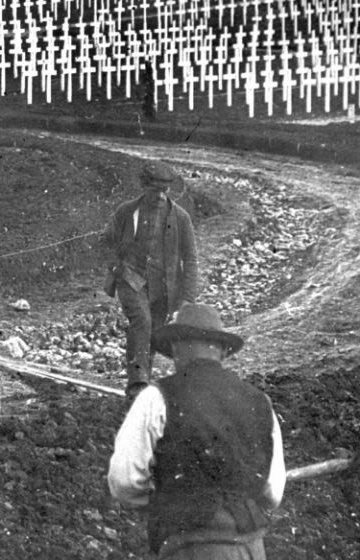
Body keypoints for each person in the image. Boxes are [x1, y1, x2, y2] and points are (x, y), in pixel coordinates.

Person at [108, 304, 285, 559]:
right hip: (249, 548)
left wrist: (166, 502)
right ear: (223, 351)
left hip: (190, 547)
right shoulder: (260, 402)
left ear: (176, 349)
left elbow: (124, 480)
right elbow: (272, 490)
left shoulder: (156, 397)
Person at [104, 161, 201, 397]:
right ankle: (137, 382)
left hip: (164, 287)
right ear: (144, 187)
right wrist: (116, 266)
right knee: (142, 323)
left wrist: (187, 298)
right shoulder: (127, 212)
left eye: (164, 191)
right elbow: (107, 241)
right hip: (131, 279)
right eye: (154, 190)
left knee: (154, 332)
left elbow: (190, 259)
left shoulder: (180, 218)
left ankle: (143, 380)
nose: (159, 196)